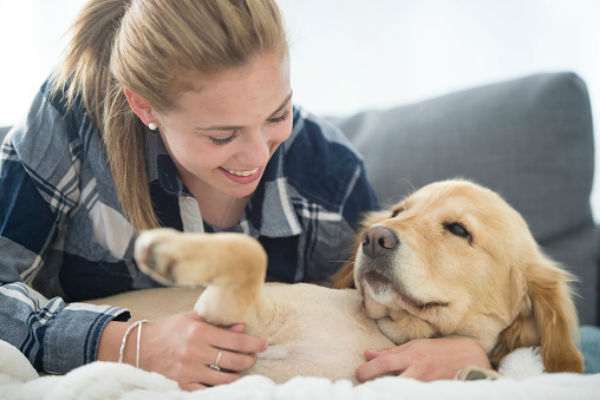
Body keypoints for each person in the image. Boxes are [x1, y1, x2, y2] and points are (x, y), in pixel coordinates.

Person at [0, 0, 490, 391]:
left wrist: (471, 350)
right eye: (221, 135)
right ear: (142, 104)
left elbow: (392, 306)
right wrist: (123, 343)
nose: (257, 154)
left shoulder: (330, 179)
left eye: (278, 114)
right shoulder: (70, 124)